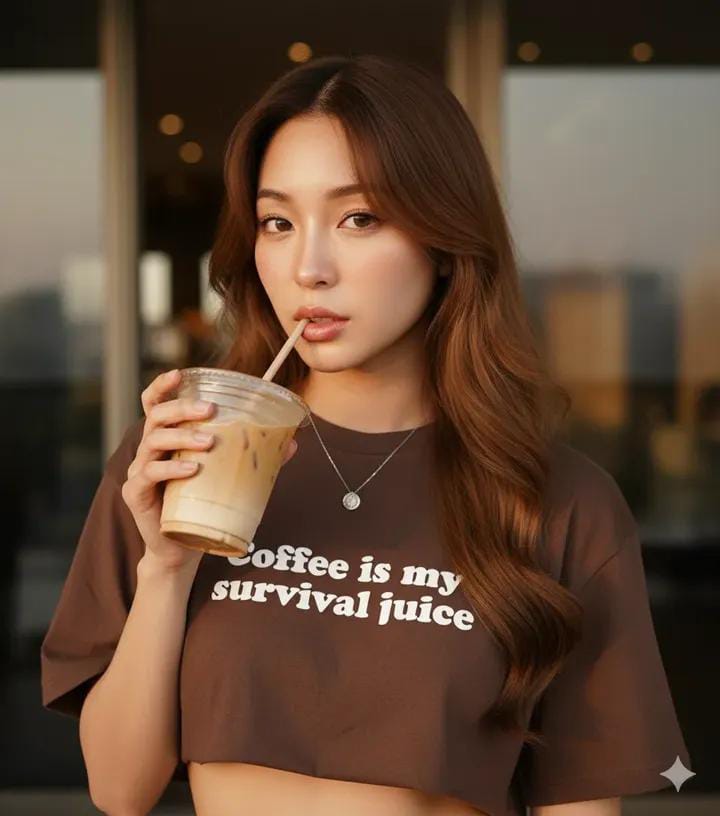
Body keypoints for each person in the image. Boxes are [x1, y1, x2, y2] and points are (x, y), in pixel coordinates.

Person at [40, 54, 691, 816]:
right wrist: (166, 569)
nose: (308, 268)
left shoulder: (559, 501)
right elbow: (119, 791)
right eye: (277, 222)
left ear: (444, 242)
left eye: (359, 218)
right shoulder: (188, 453)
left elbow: (578, 806)